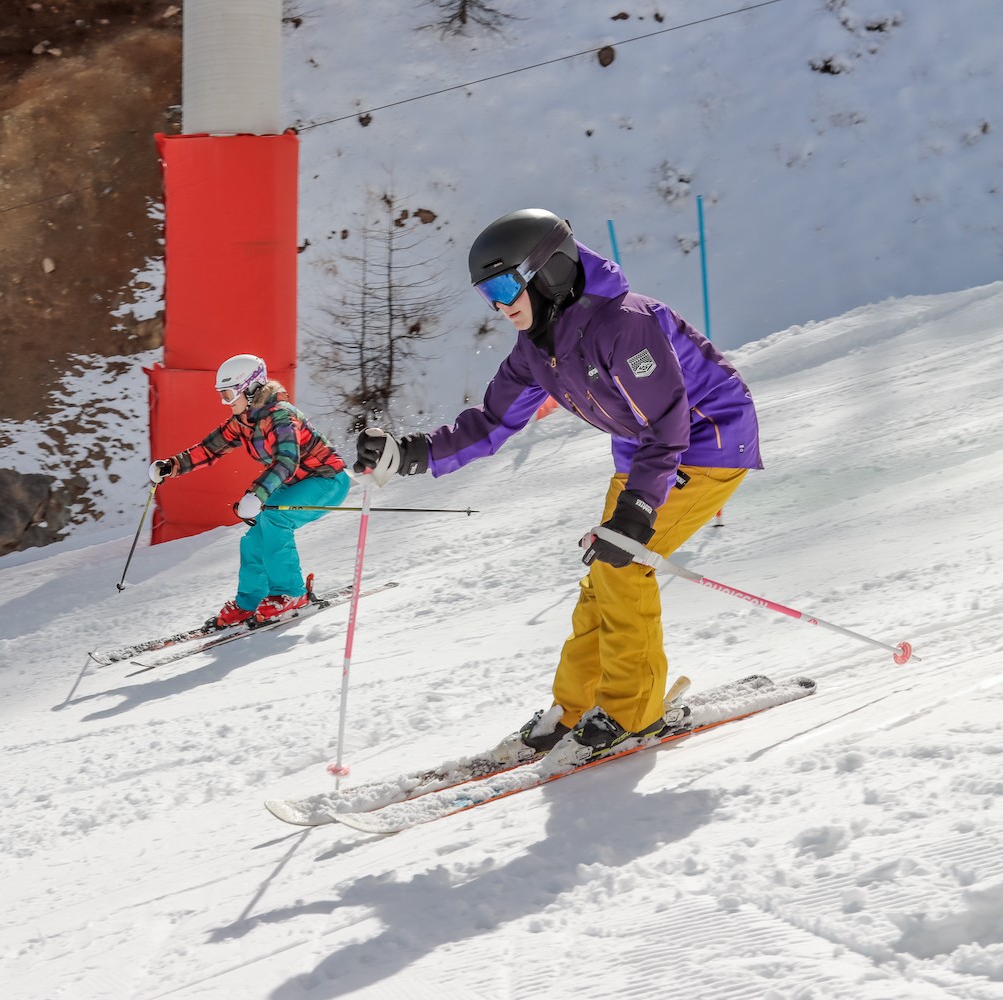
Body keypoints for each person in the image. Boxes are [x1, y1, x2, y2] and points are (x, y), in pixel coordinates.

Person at [354, 208, 762, 765]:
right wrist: (415, 453)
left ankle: (633, 711)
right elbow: (492, 423)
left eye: (503, 286)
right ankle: (575, 708)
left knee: (623, 565)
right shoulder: (535, 348)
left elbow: (671, 421)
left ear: (548, 271)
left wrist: (638, 508)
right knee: (601, 576)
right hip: (644, 453)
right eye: (486, 295)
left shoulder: (627, 324)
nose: (499, 306)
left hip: (707, 440)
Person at [150, 353, 351, 628]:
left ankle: (291, 594)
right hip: (297, 483)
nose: (226, 401)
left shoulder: (281, 416)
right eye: (223, 394)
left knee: (274, 519)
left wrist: (257, 495)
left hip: (327, 480)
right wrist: (171, 466)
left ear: (251, 388)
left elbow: (286, 460)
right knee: (255, 536)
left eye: (230, 393)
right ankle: (249, 602)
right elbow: (210, 448)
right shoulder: (244, 420)